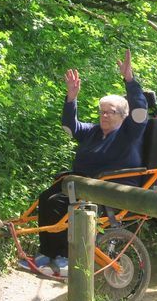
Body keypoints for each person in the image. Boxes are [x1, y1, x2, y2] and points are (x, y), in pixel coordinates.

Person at [20, 50, 148, 276]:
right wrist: (71, 98)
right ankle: (48, 254)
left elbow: (139, 111)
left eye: (111, 112)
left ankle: (65, 258)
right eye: (102, 112)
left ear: (123, 116)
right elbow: (70, 127)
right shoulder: (95, 132)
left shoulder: (130, 132)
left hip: (111, 189)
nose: (105, 116)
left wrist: (130, 80)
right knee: (46, 198)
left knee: (60, 204)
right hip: (81, 186)